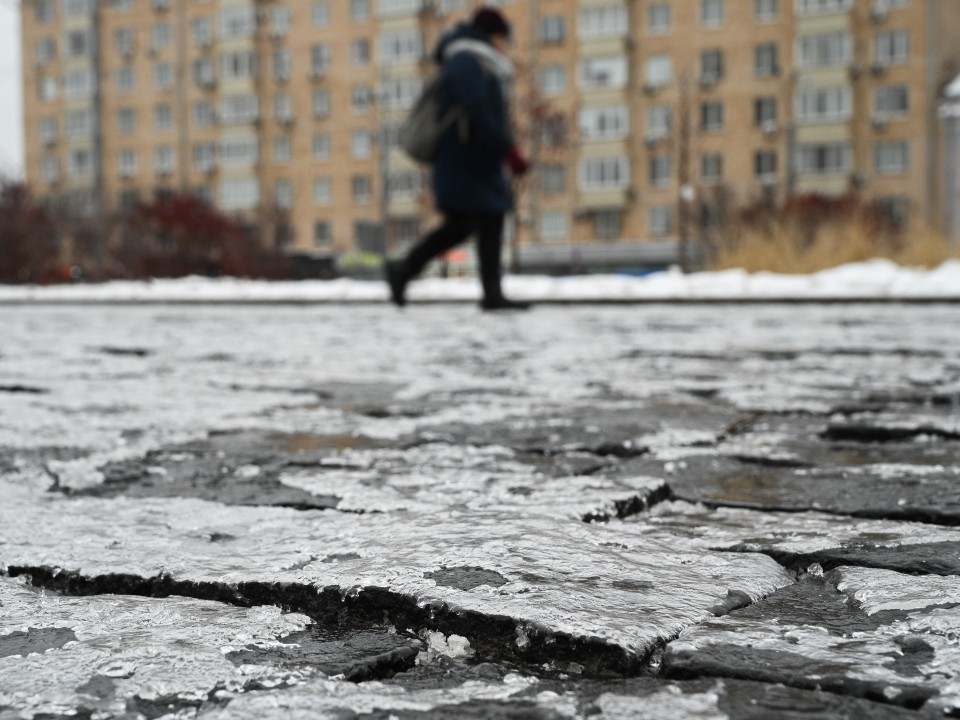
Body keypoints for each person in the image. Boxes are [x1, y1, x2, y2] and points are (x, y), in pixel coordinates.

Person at [385, 7, 531, 311]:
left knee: (480, 220)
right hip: (464, 160)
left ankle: (487, 291)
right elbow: (478, 110)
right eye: (505, 38)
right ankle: (405, 270)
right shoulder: (467, 61)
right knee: (469, 222)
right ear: (494, 35)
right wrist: (508, 150)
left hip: (474, 159)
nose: (506, 46)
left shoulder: (474, 62)